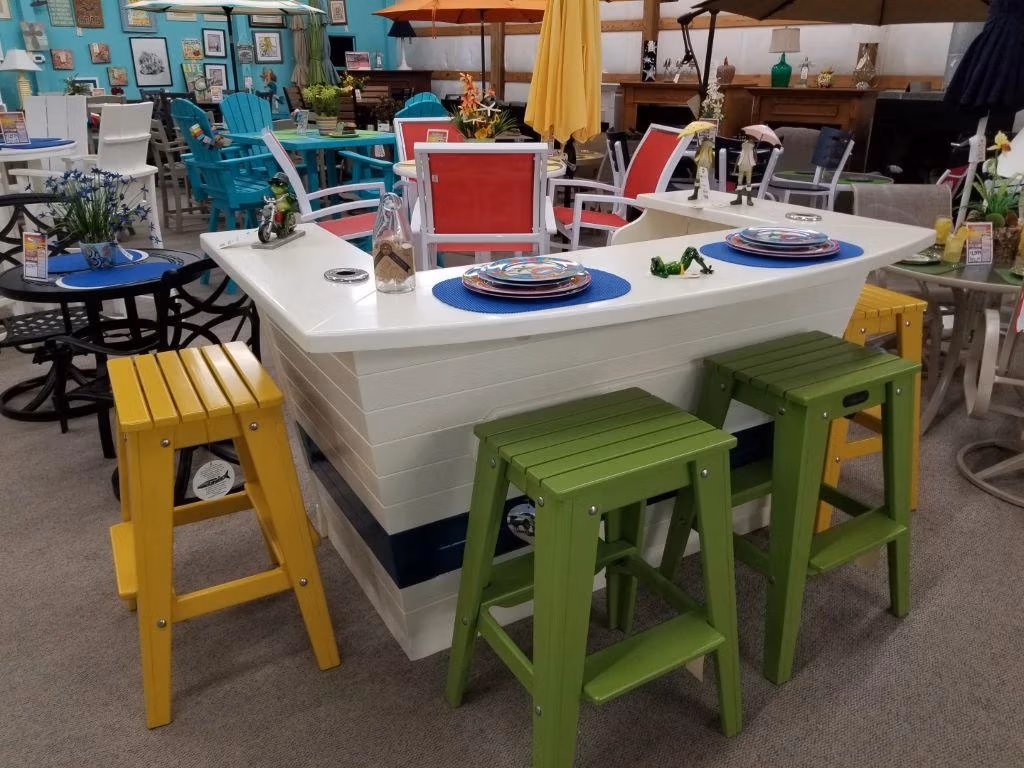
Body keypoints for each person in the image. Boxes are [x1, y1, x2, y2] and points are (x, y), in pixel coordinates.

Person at [688, 136, 715, 201]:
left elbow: (698, 156)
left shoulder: (704, 144)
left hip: (703, 162)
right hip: (706, 162)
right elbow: (710, 155)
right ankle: (701, 195)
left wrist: (699, 149)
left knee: (699, 179)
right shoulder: (709, 144)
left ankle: (697, 194)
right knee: (703, 179)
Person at [732, 138, 756, 206]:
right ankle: (739, 199)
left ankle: (749, 199)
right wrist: (734, 169)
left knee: (748, 183)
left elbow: (755, 160)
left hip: (748, 167)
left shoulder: (752, 151)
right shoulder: (743, 151)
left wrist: (754, 154)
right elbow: (738, 158)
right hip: (742, 167)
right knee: (739, 183)